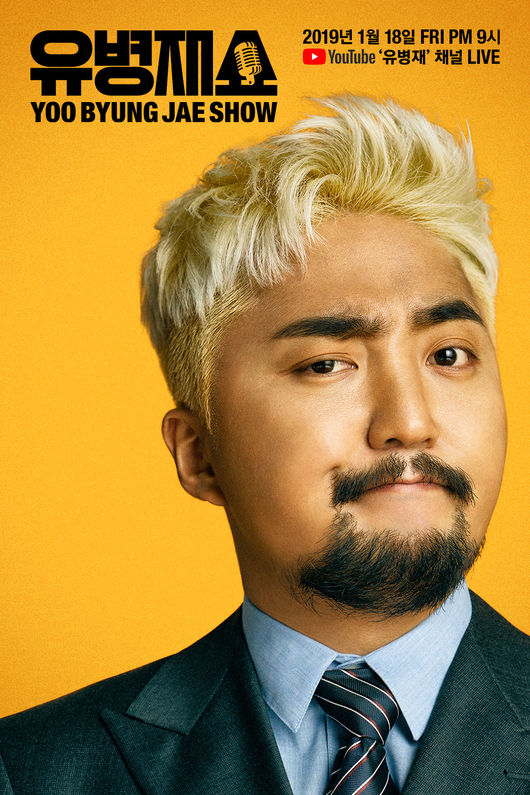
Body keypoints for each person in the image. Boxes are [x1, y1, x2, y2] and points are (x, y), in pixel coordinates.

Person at [0, 94, 528, 795]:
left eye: (450, 355)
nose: (410, 421)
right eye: (327, 364)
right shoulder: (29, 770)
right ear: (198, 454)